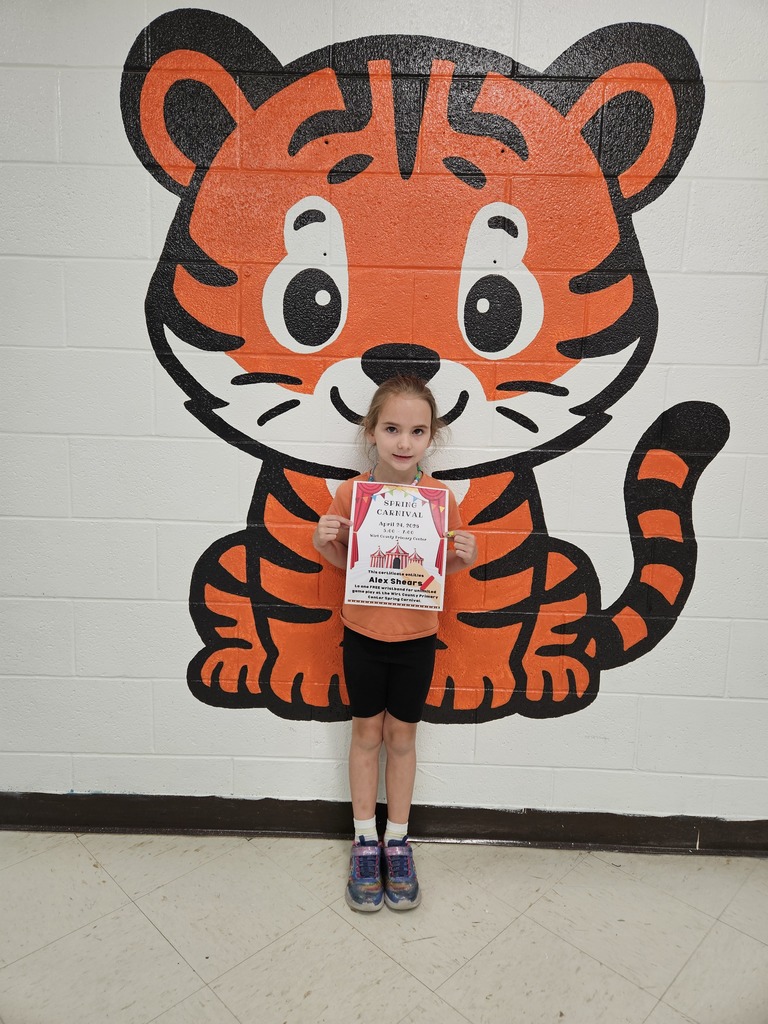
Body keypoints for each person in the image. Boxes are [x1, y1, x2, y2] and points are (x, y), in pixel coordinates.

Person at [312, 374, 478, 912]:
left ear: (432, 436)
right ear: (371, 432)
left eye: (417, 431)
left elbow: (437, 573)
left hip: (416, 639)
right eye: (391, 429)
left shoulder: (440, 499)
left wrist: (463, 557)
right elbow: (350, 568)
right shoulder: (351, 495)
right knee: (366, 733)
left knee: (402, 737)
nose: (404, 442)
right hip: (362, 633)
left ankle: (398, 841)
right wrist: (325, 544)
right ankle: (365, 840)